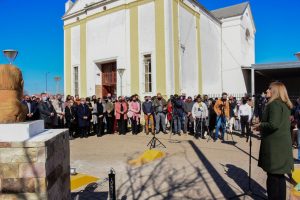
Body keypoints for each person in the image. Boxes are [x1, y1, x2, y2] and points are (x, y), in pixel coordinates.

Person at [254, 82, 293, 200]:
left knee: (273, 179)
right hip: (281, 146)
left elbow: (273, 124)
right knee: (279, 177)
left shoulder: (274, 104)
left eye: (269, 89)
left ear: (275, 91)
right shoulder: (284, 104)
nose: (266, 90)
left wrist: (260, 125)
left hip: (274, 148)